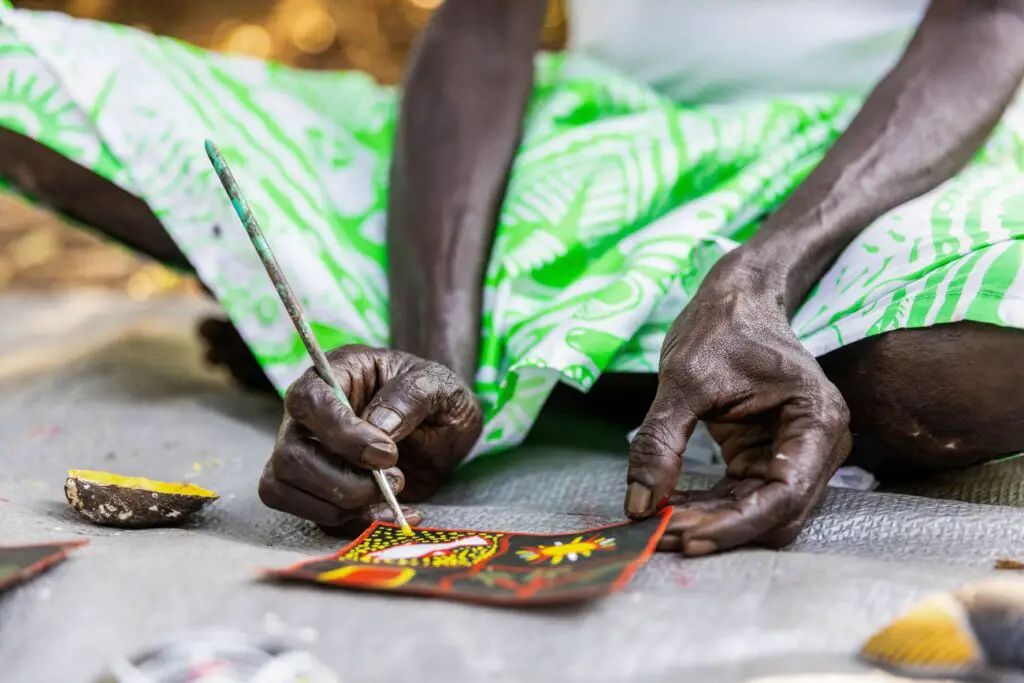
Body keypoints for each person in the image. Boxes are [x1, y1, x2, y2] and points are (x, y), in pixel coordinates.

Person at [2, 0, 1024, 556]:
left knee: (939, 372)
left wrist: (758, 275)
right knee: (20, 70)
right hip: (590, 154)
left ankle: (621, 357)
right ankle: (588, 371)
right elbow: (483, 27)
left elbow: (990, 26)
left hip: (889, 165)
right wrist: (433, 351)